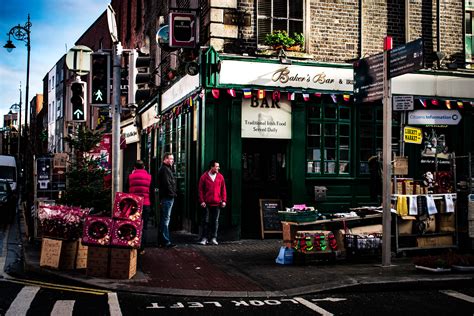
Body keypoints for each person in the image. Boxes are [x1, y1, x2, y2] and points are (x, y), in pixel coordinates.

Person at [198, 160, 227, 245]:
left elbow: (223, 190)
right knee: (205, 221)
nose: (218, 168)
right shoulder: (204, 177)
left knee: (215, 221)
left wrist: (224, 200)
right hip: (206, 203)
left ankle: (213, 238)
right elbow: (200, 190)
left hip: (217, 203)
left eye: (218, 166)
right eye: (217, 166)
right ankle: (204, 238)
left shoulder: (220, 177)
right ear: (212, 167)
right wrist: (202, 201)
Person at [127, 160, 152, 255]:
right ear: (144, 167)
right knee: (144, 226)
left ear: (134, 167)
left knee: (133, 225)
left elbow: (126, 188)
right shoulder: (149, 177)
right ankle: (141, 248)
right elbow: (151, 191)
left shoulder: (130, 177)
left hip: (133, 204)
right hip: (145, 203)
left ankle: (132, 245)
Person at [157, 153, 177, 248]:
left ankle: (162, 241)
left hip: (166, 197)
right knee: (165, 219)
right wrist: (172, 194)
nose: (172, 160)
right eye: (170, 159)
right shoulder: (165, 170)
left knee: (164, 219)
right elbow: (167, 184)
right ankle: (165, 241)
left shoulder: (166, 169)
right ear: (165, 159)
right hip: (167, 197)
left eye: (173, 159)